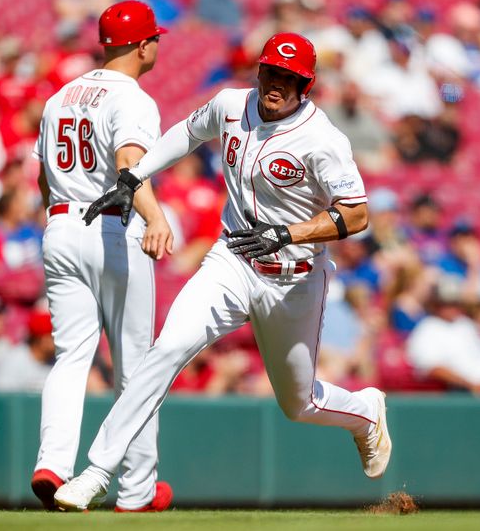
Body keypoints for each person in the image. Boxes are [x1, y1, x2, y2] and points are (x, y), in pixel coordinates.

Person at [54, 32, 392, 511]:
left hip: (292, 277)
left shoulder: (323, 140)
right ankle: (96, 473)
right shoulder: (233, 104)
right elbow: (187, 134)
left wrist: (288, 233)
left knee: (299, 404)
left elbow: (356, 215)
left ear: (306, 85)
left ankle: (365, 414)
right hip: (231, 259)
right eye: (271, 71)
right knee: (167, 348)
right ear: (259, 70)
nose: (277, 84)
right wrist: (135, 176)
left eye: (289, 78)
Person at [30, 1, 174, 513]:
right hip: (112, 228)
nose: (158, 44)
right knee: (136, 362)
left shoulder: (61, 94)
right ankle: (136, 491)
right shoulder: (132, 98)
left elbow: (43, 176)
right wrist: (155, 216)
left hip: (61, 223)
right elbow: (129, 164)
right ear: (142, 45)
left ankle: (53, 463)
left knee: (71, 355)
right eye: (154, 37)